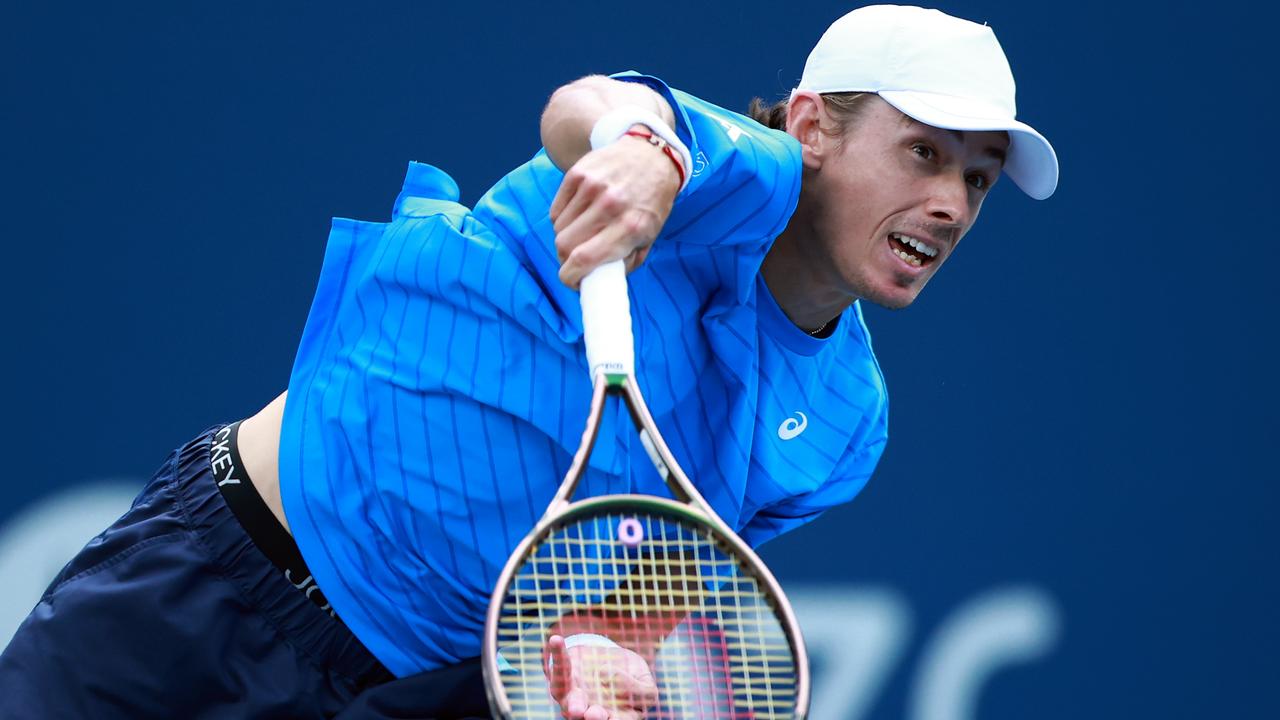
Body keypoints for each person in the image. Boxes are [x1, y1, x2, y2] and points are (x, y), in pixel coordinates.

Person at [0, 5, 1057, 719]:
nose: (951, 204)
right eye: (922, 153)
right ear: (813, 128)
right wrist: (640, 162)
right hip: (215, 581)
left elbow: (634, 597)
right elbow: (587, 109)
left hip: (412, 687)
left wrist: (608, 660)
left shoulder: (845, 423)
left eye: (976, 179)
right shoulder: (724, 170)